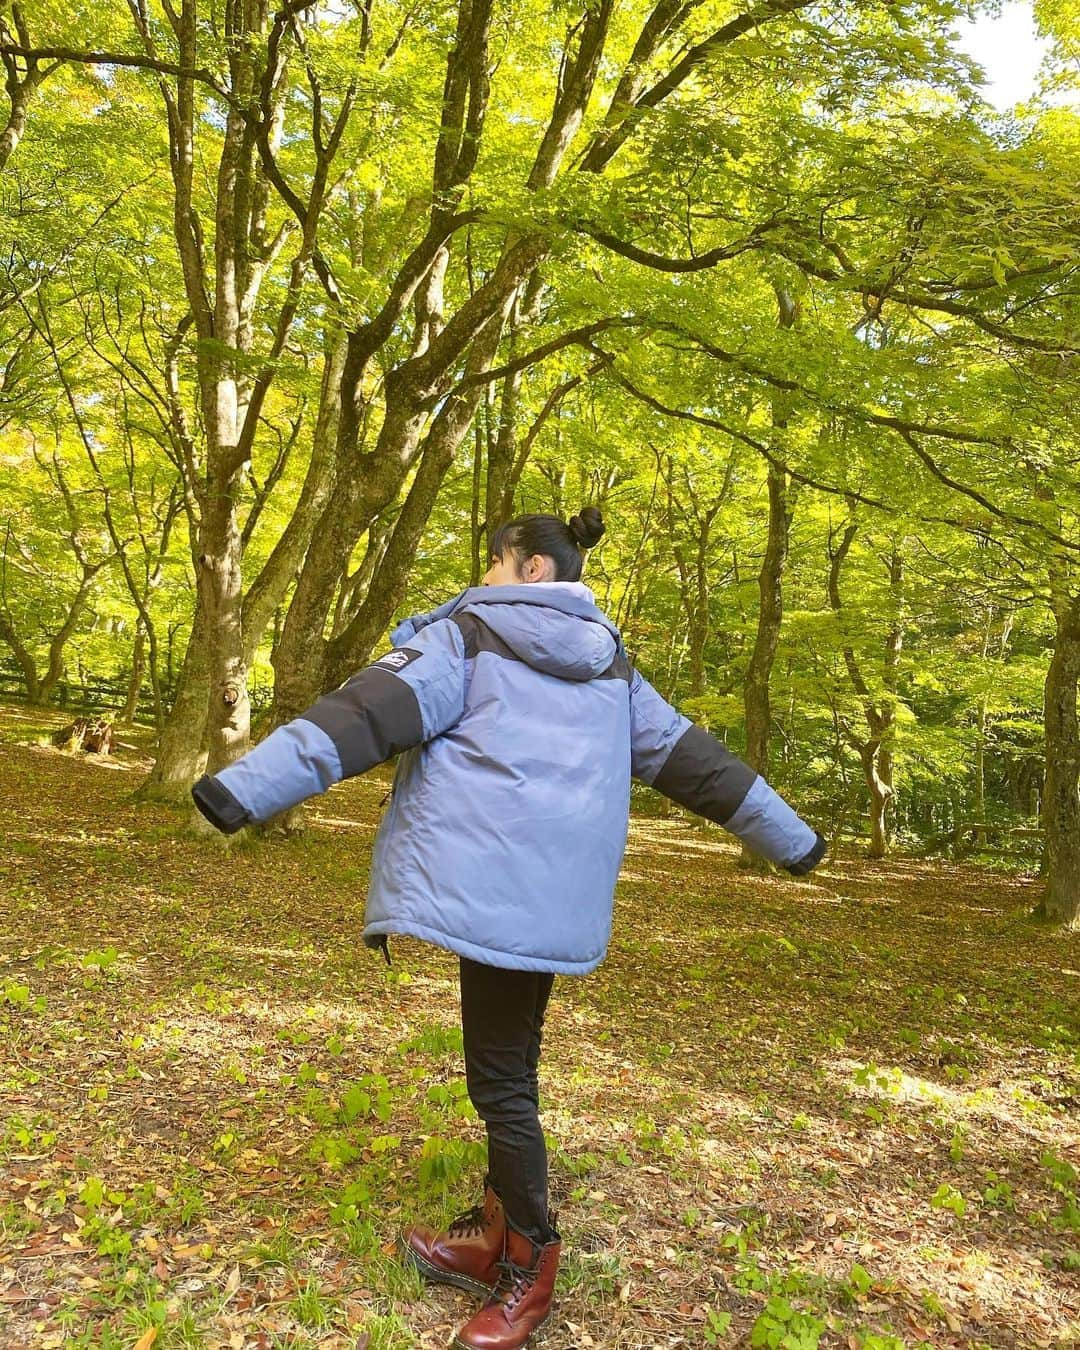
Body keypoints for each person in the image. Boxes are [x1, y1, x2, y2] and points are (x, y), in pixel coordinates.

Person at [192, 506, 826, 1350]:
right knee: (511, 1067)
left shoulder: (467, 639)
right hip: (553, 904)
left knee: (500, 1084)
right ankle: (495, 1237)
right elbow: (701, 766)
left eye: (492, 563)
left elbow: (364, 714)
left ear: (529, 567)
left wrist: (242, 789)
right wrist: (796, 840)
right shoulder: (614, 672)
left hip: (492, 899)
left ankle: (530, 1266)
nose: (483, 577)